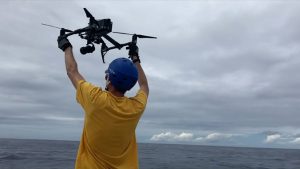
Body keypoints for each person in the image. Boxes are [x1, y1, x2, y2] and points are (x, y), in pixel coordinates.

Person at [57, 32, 149, 169]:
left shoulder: (95, 98)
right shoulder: (136, 107)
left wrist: (66, 46)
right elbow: (144, 85)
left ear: (109, 80)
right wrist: (135, 58)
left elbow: (72, 71)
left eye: (107, 74)